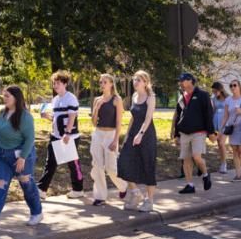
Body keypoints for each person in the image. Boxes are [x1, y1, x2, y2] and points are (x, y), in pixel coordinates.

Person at [0, 86, 42, 229]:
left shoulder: (25, 117)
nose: (4, 98)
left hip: (21, 155)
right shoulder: (2, 112)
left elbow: (30, 139)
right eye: (4, 96)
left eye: (7, 96)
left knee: (27, 185)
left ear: (16, 98)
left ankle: (37, 212)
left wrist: (23, 158)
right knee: (0, 185)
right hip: (2, 156)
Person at [37, 71, 84, 200]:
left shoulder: (71, 98)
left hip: (69, 137)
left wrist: (67, 133)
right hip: (56, 136)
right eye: (54, 83)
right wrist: (47, 116)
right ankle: (41, 189)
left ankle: (78, 189)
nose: (55, 85)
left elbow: (72, 116)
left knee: (72, 164)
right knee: (50, 162)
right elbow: (57, 118)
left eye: (58, 83)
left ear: (65, 83)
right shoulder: (56, 99)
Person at [118, 70, 158, 212]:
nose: (135, 82)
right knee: (123, 162)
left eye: (138, 80)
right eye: (134, 80)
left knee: (148, 166)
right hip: (133, 134)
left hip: (146, 135)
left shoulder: (150, 97)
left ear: (145, 82)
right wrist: (128, 135)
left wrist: (140, 134)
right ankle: (136, 193)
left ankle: (150, 201)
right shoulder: (134, 96)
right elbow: (133, 118)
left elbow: (147, 119)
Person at [173, 73, 216, 194]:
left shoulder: (202, 95)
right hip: (184, 132)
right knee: (186, 159)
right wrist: (176, 134)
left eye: (182, 81)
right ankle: (189, 185)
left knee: (197, 157)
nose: (180, 83)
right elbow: (178, 117)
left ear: (191, 81)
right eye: (180, 81)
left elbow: (208, 114)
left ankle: (206, 174)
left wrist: (211, 132)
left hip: (199, 132)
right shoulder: (181, 97)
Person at [89, 74, 128, 206]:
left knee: (111, 168)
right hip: (98, 134)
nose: (102, 84)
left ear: (111, 84)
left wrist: (115, 140)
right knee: (97, 166)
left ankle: (123, 186)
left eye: (104, 82)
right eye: (100, 82)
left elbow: (119, 122)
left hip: (111, 135)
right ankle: (100, 196)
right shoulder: (97, 100)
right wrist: (96, 108)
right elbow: (94, 123)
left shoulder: (117, 99)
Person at [211, 82, 229, 174]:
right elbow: (213, 110)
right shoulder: (214, 98)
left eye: (215, 91)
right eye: (213, 91)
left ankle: (224, 164)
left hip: (225, 122)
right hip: (216, 122)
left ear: (220, 89)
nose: (214, 93)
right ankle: (222, 162)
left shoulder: (228, 98)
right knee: (219, 144)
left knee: (222, 143)